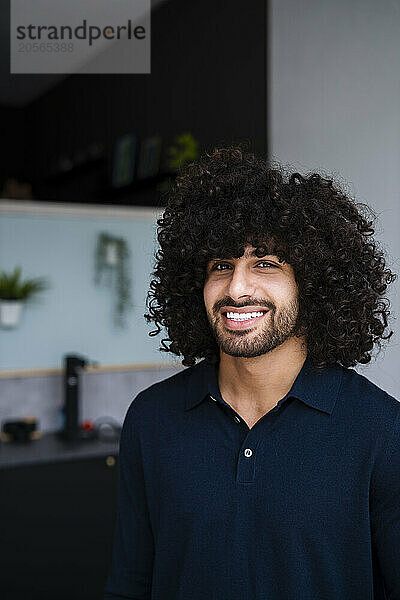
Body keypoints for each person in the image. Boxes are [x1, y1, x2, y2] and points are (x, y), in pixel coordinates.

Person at [104, 145, 400, 600]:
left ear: (314, 283)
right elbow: (129, 584)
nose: (237, 288)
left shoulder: (382, 430)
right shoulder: (152, 418)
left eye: (265, 264)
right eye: (221, 265)